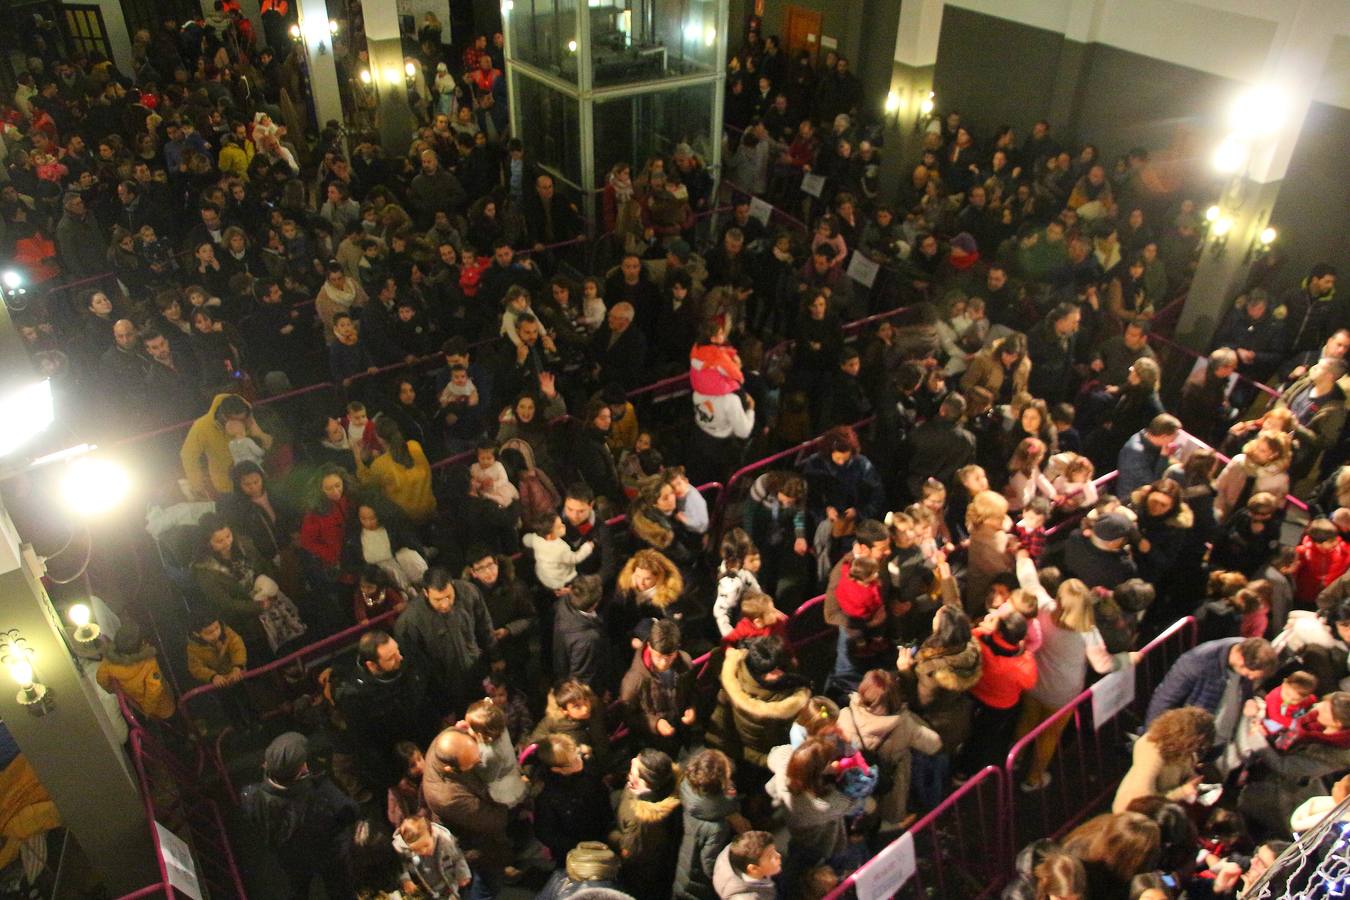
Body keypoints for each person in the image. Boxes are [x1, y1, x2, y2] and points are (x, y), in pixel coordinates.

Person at [240, 732, 359, 900]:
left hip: (290, 859)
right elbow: (352, 811)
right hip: (328, 855)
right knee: (339, 890)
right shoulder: (321, 792)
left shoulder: (250, 795)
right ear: (302, 769)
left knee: (299, 888)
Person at [421, 728, 511, 900]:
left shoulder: (445, 740)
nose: (479, 760)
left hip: (479, 833)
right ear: (450, 768)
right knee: (486, 885)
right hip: (477, 845)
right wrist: (508, 795)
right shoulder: (448, 797)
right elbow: (495, 820)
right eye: (472, 762)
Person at [393, 567, 495, 717]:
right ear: (426, 593)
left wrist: (495, 656)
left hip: (477, 670)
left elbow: (484, 625)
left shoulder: (468, 592)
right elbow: (417, 667)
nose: (445, 604)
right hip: (446, 686)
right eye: (438, 600)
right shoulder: (410, 622)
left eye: (448, 596)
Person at [1112, 707, 1215, 812]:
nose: (1199, 750)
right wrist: (1183, 792)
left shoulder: (1183, 750)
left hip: (1166, 805)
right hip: (1135, 814)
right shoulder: (1151, 750)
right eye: (1199, 745)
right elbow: (1143, 801)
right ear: (1188, 739)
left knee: (1212, 791)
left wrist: (1192, 778)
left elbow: (1184, 770)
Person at [614, 749, 683, 900]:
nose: (629, 775)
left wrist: (612, 836)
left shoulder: (643, 819)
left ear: (645, 782)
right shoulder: (665, 783)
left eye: (632, 773)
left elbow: (629, 852)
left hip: (643, 875)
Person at [619, 619, 696, 753]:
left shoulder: (685, 663)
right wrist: (655, 723)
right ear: (649, 646)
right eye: (658, 656)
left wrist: (692, 708)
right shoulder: (634, 680)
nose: (663, 662)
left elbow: (692, 691)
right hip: (651, 743)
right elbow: (627, 716)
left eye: (670, 656)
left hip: (678, 732)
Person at [392, 815, 472, 899]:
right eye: (416, 850)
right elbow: (401, 865)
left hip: (447, 885)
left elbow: (457, 857)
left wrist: (463, 873)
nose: (423, 851)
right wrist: (406, 880)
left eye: (426, 846)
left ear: (431, 832)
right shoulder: (405, 850)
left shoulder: (445, 843)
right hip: (425, 888)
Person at [712, 831, 781, 900]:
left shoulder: (740, 849)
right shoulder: (748, 898)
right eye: (770, 856)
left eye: (774, 851)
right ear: (754, 869)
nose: (778, 855)